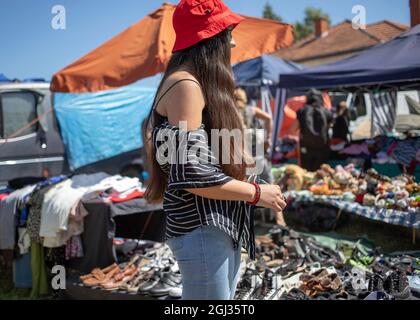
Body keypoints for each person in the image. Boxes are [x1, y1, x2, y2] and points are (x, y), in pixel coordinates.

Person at [142, 0, 286, 300]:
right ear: (209, 38)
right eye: (227, 31)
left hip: (215, 227)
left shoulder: (191, 83)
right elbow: (191, 175)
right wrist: (258, 194)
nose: (232, 41)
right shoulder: (185, 85)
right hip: (202, 229)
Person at [234, 88, 286, 226]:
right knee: (271, 185)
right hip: (258, 154)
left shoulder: (230, 112)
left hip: (243, 158)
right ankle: (280, 221)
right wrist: (268, 138)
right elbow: (269, 118)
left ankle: (247, 224)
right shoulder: (251, 110)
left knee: (246, 190)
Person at [296, 89, 333, 172]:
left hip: (306, 148)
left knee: (307, 173)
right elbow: (330, 127)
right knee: (321, 173)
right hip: (322, 148)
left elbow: (293, 129)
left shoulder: (302, 111)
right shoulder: (326, 111)